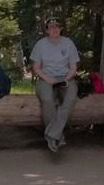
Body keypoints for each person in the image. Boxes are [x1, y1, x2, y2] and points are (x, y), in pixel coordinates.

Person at [26, 19, 78, 154]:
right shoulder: (41, 44)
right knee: (47, 99)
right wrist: (46, 78)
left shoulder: (68, 43)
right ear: (47, 30)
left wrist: (67, 78)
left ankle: (52, 134)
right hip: (45, 77)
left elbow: (73, 67)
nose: (55, 29)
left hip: (65, 77)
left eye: (57, 27)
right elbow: (36, 67)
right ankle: (57, 136)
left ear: (61, 29)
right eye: (51, 27)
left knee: (70, 98)